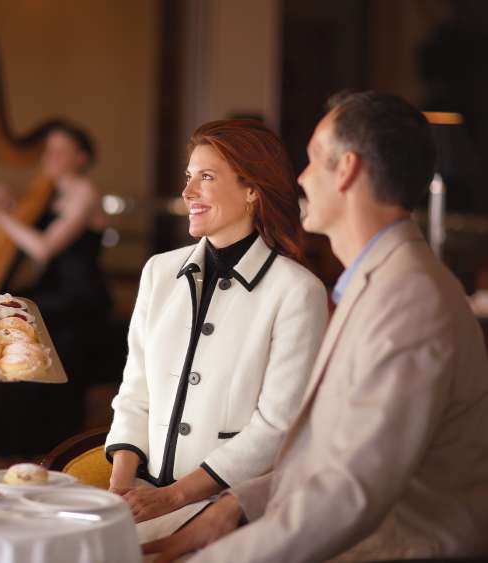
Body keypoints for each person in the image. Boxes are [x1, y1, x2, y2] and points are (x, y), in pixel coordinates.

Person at [144, 93, 488, 562]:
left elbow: (350, 491)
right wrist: (234, 507)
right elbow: (328, 458)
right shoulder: (377, 282)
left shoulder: (410, 298)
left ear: (346, 169)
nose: (300, 179)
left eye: (310, 161)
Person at [104, 120, 329, 540]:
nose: (188, 192)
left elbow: (277, 426)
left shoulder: (298, 292)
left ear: (252, 190)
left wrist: (173, 498)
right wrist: (120, 488)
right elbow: (136, 391)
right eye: (189, 178)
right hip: (141, 490)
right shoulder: (158, 272)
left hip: (225, 508)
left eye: (206, 177)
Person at [0, 122, 114, 454]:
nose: (51, 157)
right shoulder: (50, 194)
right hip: (53, 290)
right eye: (49, 150)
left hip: (76, 298)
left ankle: (24, 444)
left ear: (82, 158)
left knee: (10, 327)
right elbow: (27, 229)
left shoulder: (84, 192)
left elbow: (43, 248)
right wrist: (8, 205)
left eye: (61, 150)